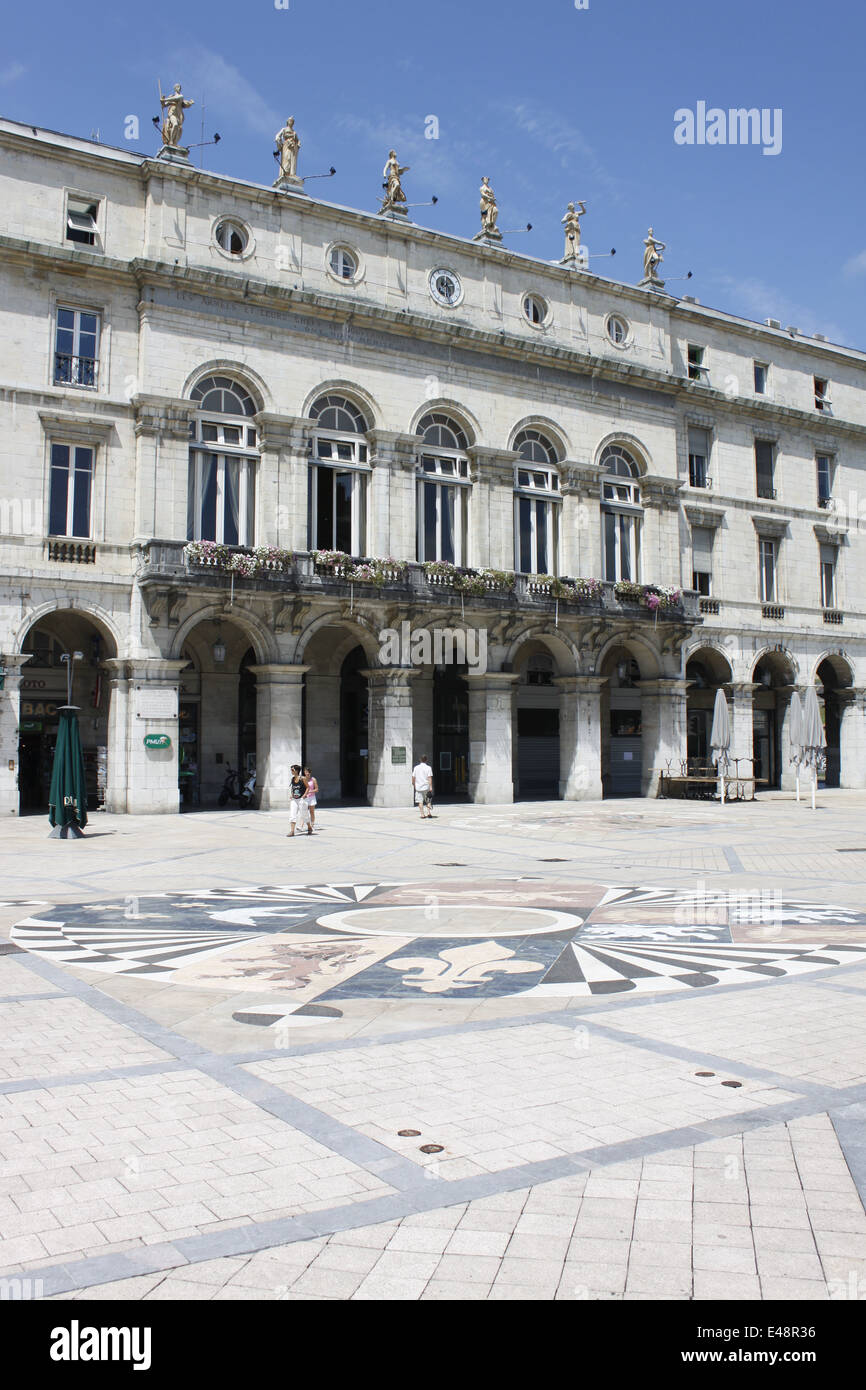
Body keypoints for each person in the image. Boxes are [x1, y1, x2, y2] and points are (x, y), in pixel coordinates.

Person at [287, 765, 311, 836]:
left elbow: (308, 787)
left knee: (304, 815)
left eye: (292, 770)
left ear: (296, 771)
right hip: (294, 800)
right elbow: (293, 788)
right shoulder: (293, 779)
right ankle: (292, 831)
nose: (291, 771)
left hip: (302, 799)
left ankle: (309, 827)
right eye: (291, 770)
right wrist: (292, 794)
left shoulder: (302, 778)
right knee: (292, 815)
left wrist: (304, 795)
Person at [412, 754, 434, 819]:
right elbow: (429, 778)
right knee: (428, 801)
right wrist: (430, 787)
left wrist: (414, 784)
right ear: (426, 760)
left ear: (420, 760)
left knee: (420, 802)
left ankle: (422, 814)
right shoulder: (428, 768)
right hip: (426, 787)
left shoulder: (416, 768)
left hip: (419, 787)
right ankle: (429, 813)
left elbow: (413, 777)